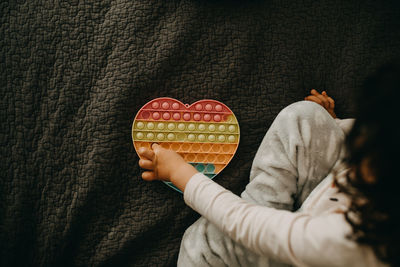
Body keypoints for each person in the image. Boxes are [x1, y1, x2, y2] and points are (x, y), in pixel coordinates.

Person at [138, 61, 399, 267]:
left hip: (298, 251)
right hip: (328, 203)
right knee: (305, 116)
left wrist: (182, 174)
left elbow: (248, 225)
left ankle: (260, 215)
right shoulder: (383, 167)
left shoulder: (351, 243)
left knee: (203, 243)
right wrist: (331, 123)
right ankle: (269, 203)